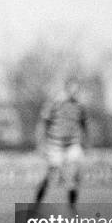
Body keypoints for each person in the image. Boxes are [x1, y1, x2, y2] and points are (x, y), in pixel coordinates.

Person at [33, 77, 88, 210]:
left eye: (77, 89)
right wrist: (40, 144)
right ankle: (37, 204)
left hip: (72, 144)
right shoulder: (54, 103)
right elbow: (42, 123)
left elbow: (84, 125)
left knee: (73, 174)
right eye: (73, 89)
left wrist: (85, 142)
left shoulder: (80, 106)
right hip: (55, 145)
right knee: (49, 177)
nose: (75, 92)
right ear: (67, 88)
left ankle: (72, 207)